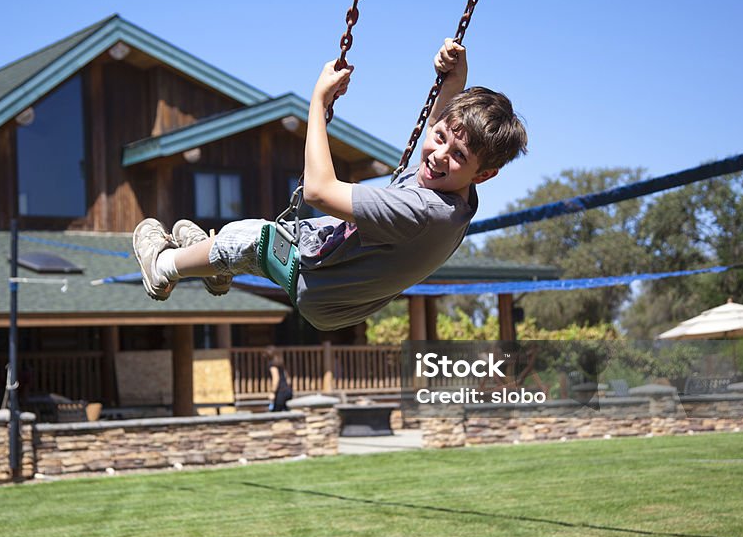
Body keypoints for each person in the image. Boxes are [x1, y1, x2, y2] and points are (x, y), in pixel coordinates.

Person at [134, 39, 527, 331]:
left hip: (321, 287)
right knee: (259, 238)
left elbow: (318, 191)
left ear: (483, 175)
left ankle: (163, 266)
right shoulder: (457, 190)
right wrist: (456, 78)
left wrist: (318, 104)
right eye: (440, 138)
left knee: (252, 237)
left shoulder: (425, 213)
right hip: (341, 283)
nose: (440, 154)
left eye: (458, 155)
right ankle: (214, 265)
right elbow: (446, 124)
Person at [265, 347, 293, 412]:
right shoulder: (280, 364)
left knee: (276, 413)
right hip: (288, 391)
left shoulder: (272, 365)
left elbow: (276, 378)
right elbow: (288, 379)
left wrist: (273, 392)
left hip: (280, 392)